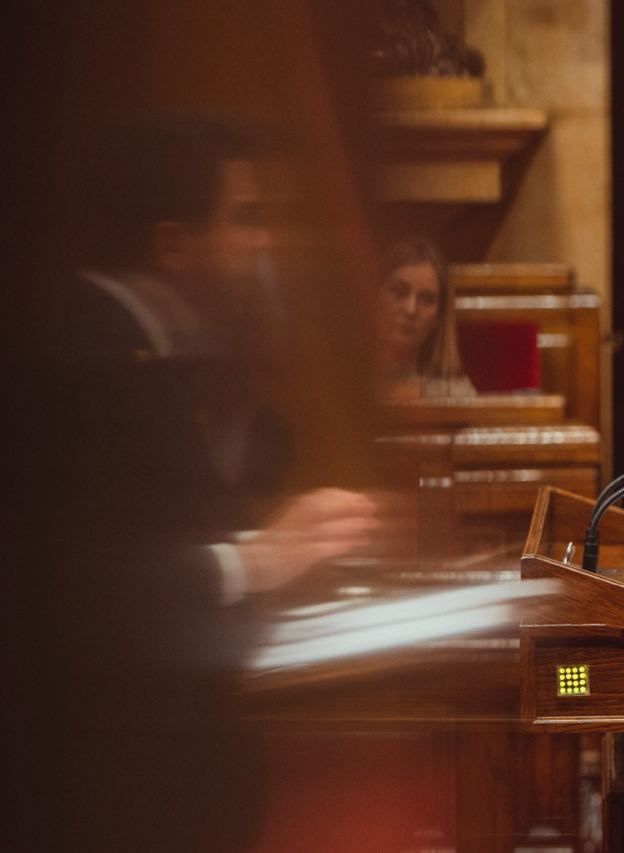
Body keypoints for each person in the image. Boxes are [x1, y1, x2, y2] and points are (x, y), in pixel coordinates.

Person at [7, 115, 377, 850]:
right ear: (174, 243)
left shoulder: (139, 343)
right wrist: (258, 557)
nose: (264, 242)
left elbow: (146, 530)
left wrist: (271, 555)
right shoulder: (85, 356)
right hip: (109, 786)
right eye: (245, 220)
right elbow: (75, 592)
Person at [375, 235, 475, 398]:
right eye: (398, 292)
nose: (411, 310)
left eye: (426, 299)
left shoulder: (454, 395)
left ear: (438, 317)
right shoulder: (335, 381)